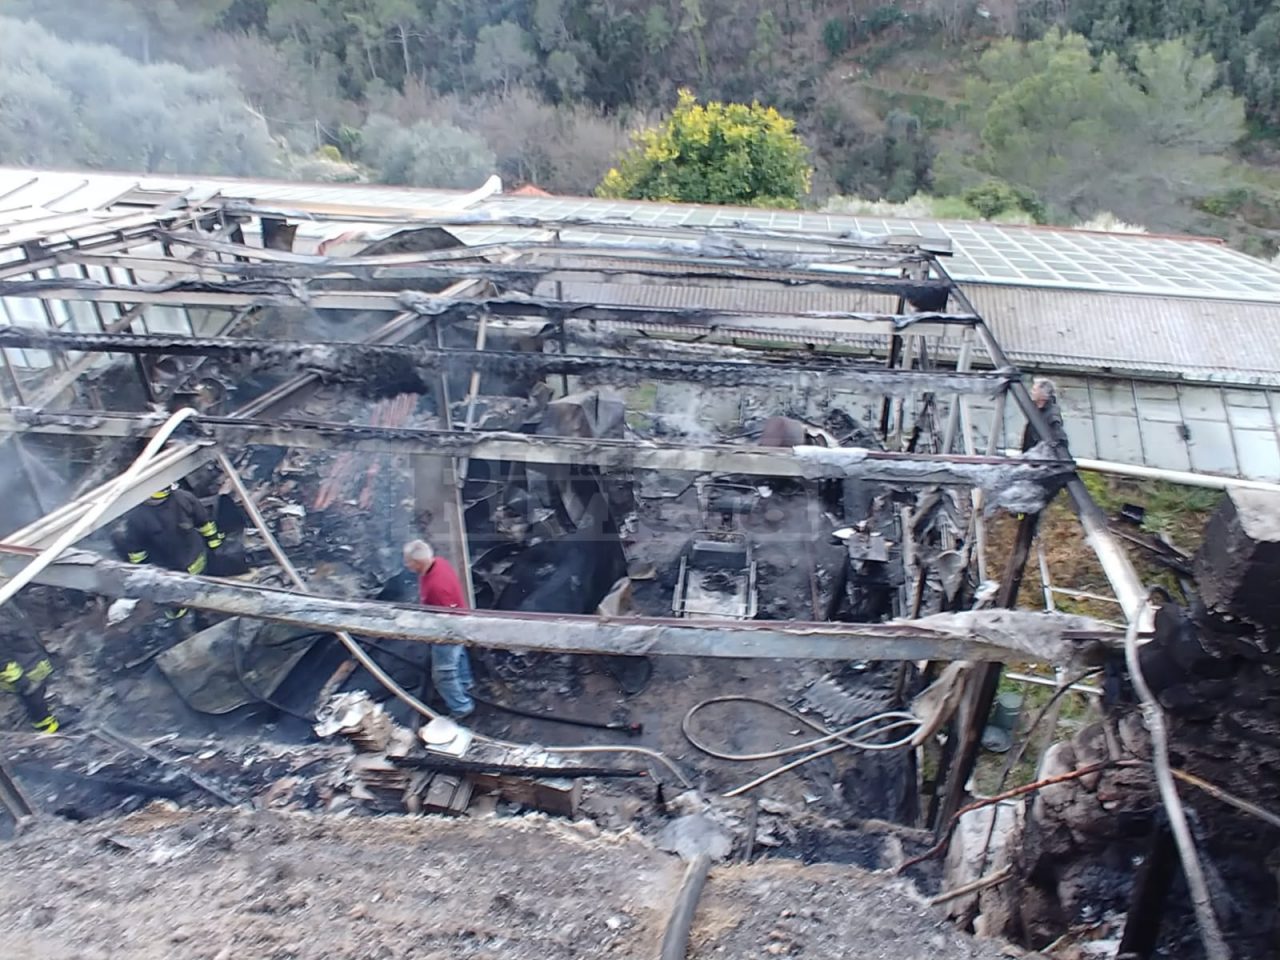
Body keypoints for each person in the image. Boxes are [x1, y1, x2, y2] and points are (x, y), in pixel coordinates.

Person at [123, 484, 226, 620]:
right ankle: (186, 614)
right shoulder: (137, 517)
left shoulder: (182, 499)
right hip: (172, 575)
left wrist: (215, 547)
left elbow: (204, 523)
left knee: (205, 599)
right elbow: (136, 553)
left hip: (193, 567)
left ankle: (199, 613)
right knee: (184, 607)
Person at [402, 539, 474, 720]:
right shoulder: (439, 563)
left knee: (443, 674)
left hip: (448, 630)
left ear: (418, 562)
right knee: (460, 655)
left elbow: (447, 620)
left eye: (408, 561)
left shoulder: (438, 587)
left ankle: (461, 707)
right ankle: (465, 683)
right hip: (458, 622)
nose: (406, 565)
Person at [0, 610, 59, 734]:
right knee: (34, 701)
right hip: (24, 673)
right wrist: (20, 681)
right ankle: (46, 728)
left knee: (38, 696)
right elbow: (3, 662)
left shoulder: (6, 607)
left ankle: (47, 719)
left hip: (32, 663)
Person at [1021, 377, 1070, 453]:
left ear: (1043, 394)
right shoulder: (1036, 411)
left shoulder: (1052, 415)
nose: (1031, 392)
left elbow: (1060, 441)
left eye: (1034, 390)